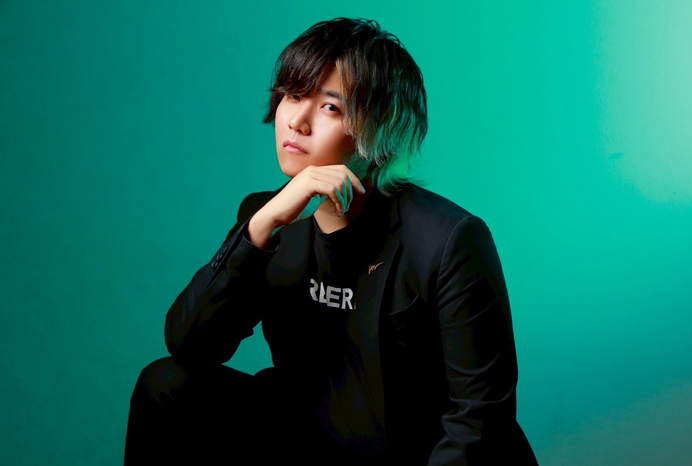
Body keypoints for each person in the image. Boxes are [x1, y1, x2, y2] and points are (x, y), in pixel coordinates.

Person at [125, 17, 538, 466]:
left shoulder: (449, 239)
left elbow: (480, 418)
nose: (297, 121)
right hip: (310, 440)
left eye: (330, 107)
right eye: (293, 95)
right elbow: (189, 345)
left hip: (411, 452)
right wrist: (260, 229)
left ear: (382, 127)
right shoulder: (269, 219)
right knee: (165, 386)